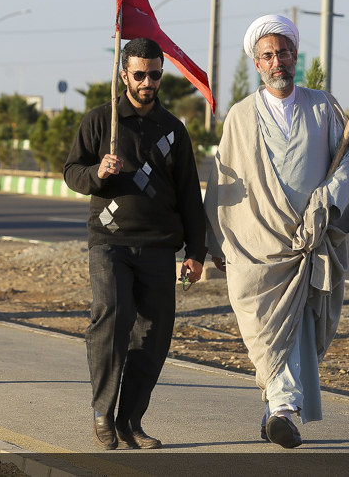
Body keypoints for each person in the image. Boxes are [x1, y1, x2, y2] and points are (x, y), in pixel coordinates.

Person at [203, 14, 349, 449]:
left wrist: (327, 198)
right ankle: (284, 410)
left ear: (295, 55)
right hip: (258, 247)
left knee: (303, 329)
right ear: (257, 63)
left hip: (310, 243)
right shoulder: (239, 116)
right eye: (268, 55)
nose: (278, 62)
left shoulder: (324, 107)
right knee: (264, 328)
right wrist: (213, 240)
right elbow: (223, 181)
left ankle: (277, 409)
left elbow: (347, 164)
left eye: (284, 53)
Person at [63, 37, 207, 450]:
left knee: (154, 335)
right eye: (140, 74)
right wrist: (98, 174)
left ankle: (130, 421)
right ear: (123, 74)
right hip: (109, 240)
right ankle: (102, 411)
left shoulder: (173, 131)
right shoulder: (101, 121)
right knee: (113, 313)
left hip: (159, 246)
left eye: (156, 74)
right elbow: (72, 171)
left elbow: (189, 198)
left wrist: (195, 253)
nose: (148, 82)